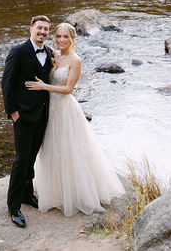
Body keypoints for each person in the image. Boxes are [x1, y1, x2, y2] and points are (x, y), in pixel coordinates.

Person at [25, 22, 124, 216]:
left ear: (72, 39)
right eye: (59, 36)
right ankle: (53, 190)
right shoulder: (54, 55)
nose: (61, 40)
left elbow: (68, 89)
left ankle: (74, 192)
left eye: (65, 37)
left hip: (65, 107)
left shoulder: (75, 60)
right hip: (49, 108)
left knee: (69, 148)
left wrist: (44, 87)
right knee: (51, 146)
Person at [1, 15, 53, 228]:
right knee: (21, 160)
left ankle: (26, 193)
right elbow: (7, 82)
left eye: (46, 29)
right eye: (39, 28)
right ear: (31, 28)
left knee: (32, 157)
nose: (42, 32)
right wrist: (13, 112)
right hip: (22, 116)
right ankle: (13, 208)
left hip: (41, 116)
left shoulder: (49, 53)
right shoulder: (18, 51)